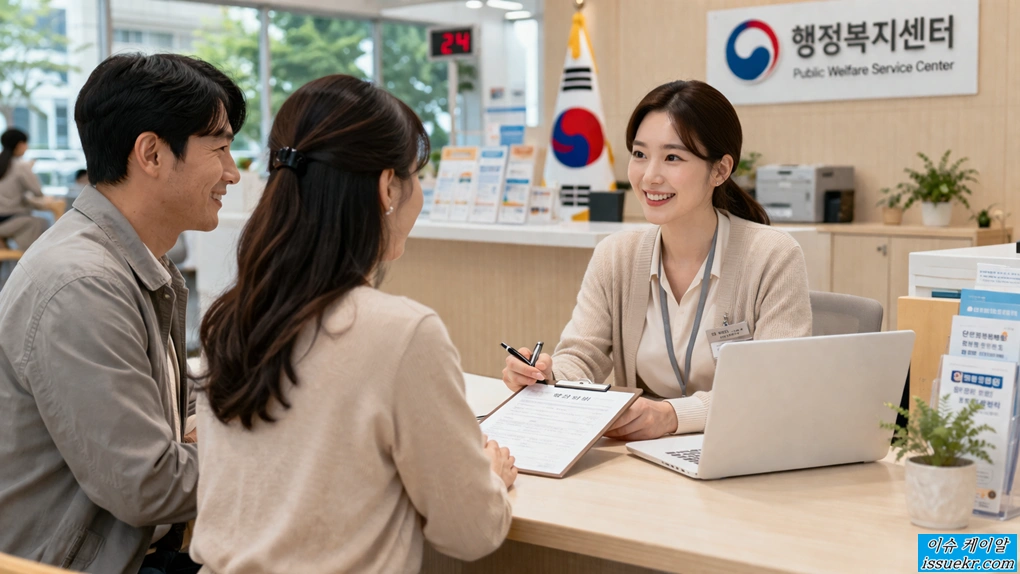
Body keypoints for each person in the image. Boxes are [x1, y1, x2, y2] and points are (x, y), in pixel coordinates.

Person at [191, 74, 516, 574]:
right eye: (416, 177)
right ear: (388, 188)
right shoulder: (403, 333)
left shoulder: (229, 320)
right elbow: (469, 532)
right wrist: (489, 476)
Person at [0, 53, 245, 573]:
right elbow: (148, 485)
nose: (233, 172)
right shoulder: (83, 284)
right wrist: (282, 456)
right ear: (151, 153)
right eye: (221, 148)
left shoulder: (133, 262)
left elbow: (172, 422)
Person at [503, 80, 812, 440]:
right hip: (640, 453)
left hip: (739, 448)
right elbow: (582, 358)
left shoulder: (772, 256)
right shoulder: (616, 255)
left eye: (672, 157)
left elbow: (774, 384)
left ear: (720, 170)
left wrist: (670, 416)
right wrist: (545, 376)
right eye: (639, 154)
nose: (650, 176)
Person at [0, 128, 47, 250]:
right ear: (20, 144)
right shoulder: (22, 166)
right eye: (26, 143)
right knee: (41, 222)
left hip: (4, 220)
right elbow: (38, 192)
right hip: (9, 219)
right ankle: (29, 257)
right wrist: (30, 169)